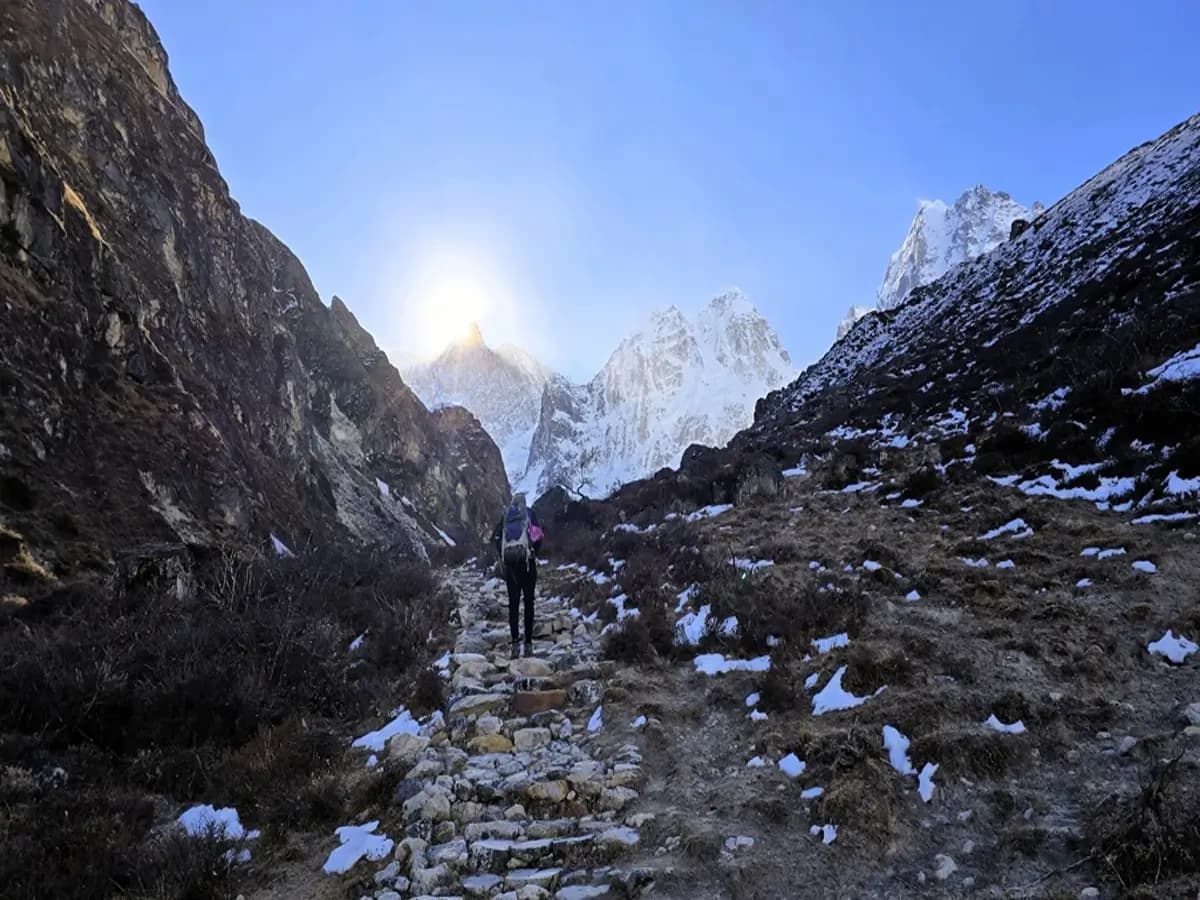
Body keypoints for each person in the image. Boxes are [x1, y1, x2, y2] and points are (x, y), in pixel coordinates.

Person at [491, 492, 544, 657]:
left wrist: (504, 557)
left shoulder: (506, 516)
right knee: (529, 603)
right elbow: (539, 537)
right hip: (528, 565)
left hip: (510, 568)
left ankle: (515, 643)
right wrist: (533, 553)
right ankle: (528, 643)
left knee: (513, 604)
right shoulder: (530, 514)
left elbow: (495, 538)